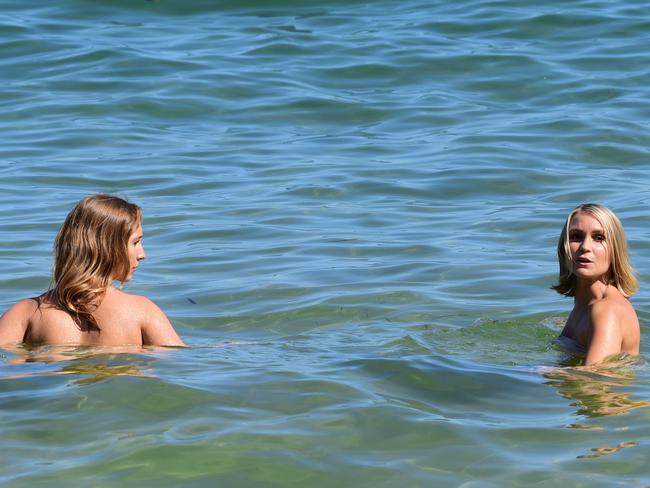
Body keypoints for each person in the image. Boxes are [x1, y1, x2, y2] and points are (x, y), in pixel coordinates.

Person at [0, 194, 185, 347]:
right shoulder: (141, 311)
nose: (142, 254)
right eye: (135, 242)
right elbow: (180, 367)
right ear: (108, 247)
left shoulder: (24, 313)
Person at [553, 203, 639, 366]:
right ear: (564, 248)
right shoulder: (586, 306)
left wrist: (536, 372)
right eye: (576, 236)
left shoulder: (606, 310)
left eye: (599, 237)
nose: (585, 247)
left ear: (615, 250)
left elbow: (593, 381)